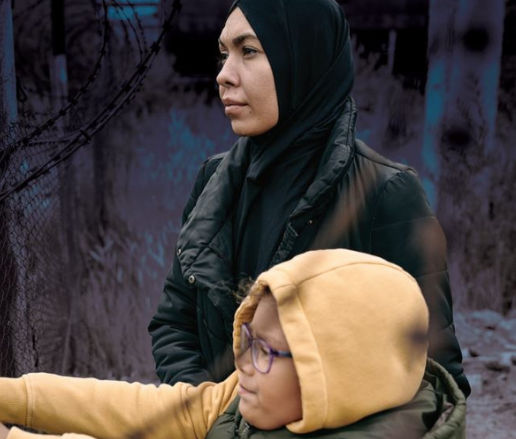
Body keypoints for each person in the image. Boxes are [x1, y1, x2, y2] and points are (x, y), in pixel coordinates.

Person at [147, 0, 470, 396]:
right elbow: (174, 323)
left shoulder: (385, 194)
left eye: (248, 51)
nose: (224, 75)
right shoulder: (214, 182)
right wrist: (213, 411)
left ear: (305, 60)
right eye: (223, 54)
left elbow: (435, 377)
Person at [0, 249, 466, 439]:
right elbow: (151, 411)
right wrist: (0, 395)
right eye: (246, 338)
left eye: (267, 351)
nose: (244, 363)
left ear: (337, 375)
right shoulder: (265, 404)